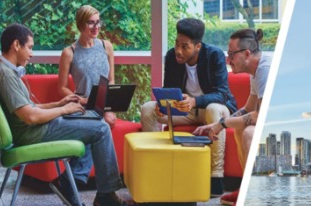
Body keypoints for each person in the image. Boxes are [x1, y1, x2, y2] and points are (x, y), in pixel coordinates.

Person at [0, 23, 127, 206]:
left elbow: (31, 108)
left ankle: (71, 179)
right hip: (33, 133)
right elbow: (30, 116)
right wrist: (64, 110)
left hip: (33, 130)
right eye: (30, 48)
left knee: (91, 121)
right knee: (101, 129)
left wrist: (59, 104)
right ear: (16, 45)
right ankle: (104, 196)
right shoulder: (5, 75)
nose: (32, 54)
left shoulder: (5, 71)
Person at [139, 18, 237, 197]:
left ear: (197, 46)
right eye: (177, 44)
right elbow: (168, 90)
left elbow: (222, 94)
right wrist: (164, 106)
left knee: (213, 109)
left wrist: (195, 100)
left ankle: (215, 177)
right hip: (185, 111)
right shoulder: (171, 57)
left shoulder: (214, 55)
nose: (178, 50)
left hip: (214, 110)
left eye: (185, 47)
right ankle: (157, 168)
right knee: (148, 109)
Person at [194, 28, 270, 205]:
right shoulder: (255, 72)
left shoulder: (265, 69)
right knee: (240, 126)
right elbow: (248, 108)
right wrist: (219, 123)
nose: (228, 60)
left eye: (231, 54)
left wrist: (223, 123)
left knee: (249, 133)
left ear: (246, 54)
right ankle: (246, 188)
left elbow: (260, 116)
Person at [54, 5, 116, 191]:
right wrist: (79, 99)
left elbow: (111, 79)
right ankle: (99, 189)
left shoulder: (106, 46)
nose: (96, 27)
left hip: (102, 104)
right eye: (91, 23)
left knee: (99, 123)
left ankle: (71, 178)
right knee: (98, 126)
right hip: (82, 106)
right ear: (81, 25)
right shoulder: (69, 52)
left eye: (98, 22)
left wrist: (109, 107)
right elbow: (62, 88)